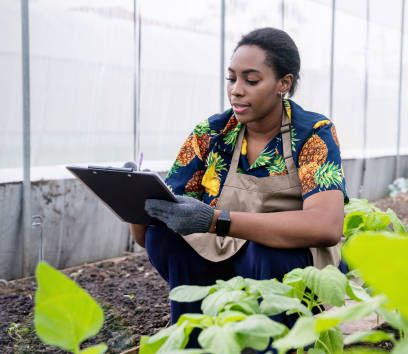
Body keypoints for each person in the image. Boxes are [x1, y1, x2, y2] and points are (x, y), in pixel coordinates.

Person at [129, 27, 348, 329]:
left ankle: (273, 341)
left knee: (266, 251)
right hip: (224, 261)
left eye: (251, 80)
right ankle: (194, 335)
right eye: (231, 78)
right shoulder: (212, 133)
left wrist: (214, 220)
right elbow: (148, 237)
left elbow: (326, 226)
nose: (236, 89)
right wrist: (135, 201)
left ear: (284, 83)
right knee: (163, 236)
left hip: (285, 266)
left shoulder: (312, 133)